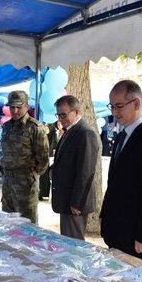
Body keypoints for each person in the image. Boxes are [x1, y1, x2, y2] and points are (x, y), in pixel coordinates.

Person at [100, 80, 142, 259]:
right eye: (112, 107)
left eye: (119, 106)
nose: (114, 112)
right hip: (117, 228)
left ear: (136, 103)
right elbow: (113, 181)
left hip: (135, 236)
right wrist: (104, 214)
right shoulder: (122, 135)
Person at [51, 95, 100, 239]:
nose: (60, 118)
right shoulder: (70, 131)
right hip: (67, 200)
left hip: (74, 203)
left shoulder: (85, 133)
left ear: (77, 112)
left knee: (73, 244)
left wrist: (77, 203)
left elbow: (86, 172)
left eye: (64, 114)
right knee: (67, 241)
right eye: (58, 115)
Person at [0, 90, 49, 224]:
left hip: (26, 185)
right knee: (8, 221)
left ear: (26, 106)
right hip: (8, 184)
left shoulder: (35, 127)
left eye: (18, 107)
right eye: (12, 107)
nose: (15, 111)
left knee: (27, 224)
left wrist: (32, 176)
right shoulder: (6, 127)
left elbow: (43, 158)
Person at [39, 120, 59, 200]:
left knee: (44, 177)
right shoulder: (47, 133)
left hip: (48, 158)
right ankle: (40, 193)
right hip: (44, 157)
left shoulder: (51, 132)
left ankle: (42, 193)